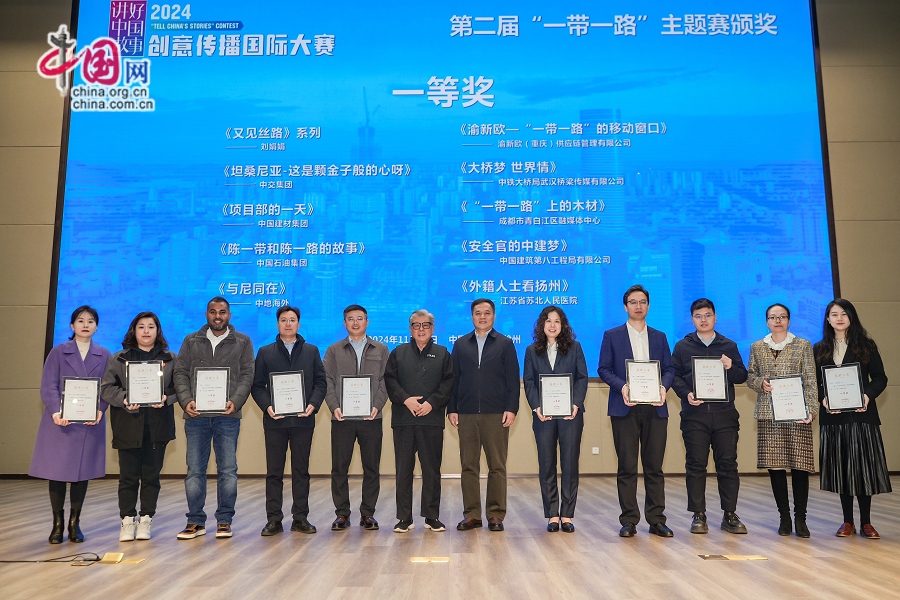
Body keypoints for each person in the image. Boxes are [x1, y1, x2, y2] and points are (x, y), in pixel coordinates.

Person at [173, 297, 254, 540]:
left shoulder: (243, 341)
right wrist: (186, 400)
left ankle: (224, 520)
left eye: (222, 312)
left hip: (228, 416)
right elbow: (180, 373)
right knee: (194, 470)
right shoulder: (191, 341)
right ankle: (195, 521)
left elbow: (248, 374)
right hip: (196, 415)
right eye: (213, 312)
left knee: (228, 470)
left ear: (229, 315)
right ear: (206, 314)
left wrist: (236, 401)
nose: (217, 316)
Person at [597, 285, 675, 538]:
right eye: (633, 302)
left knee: (654, 468)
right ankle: (629, 520)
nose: (638, 306)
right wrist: (623, 387)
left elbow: (669, 369)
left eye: (642, 302)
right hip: (624, 408)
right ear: (625, 306)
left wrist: (663, 387)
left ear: (648, 306)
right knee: (627, 467)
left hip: (655, 408)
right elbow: (604, 369)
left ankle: (657, 520)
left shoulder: (660, 337)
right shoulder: (612, 335)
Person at [30, 305, 111, 544]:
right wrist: (56, 411)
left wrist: (100, 410)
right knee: (56, 473)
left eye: (91, 321)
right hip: (60, 423)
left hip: (89, 422)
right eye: (80, 320)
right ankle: (57, 524)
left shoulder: (104, 354)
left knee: (81, 473)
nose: (85, 325)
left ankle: (75, 523)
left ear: (96, 326)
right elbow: (49, 385)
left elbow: (107, 388)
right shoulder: (58, 352)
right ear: (72, 325)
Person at [813, 299, 890, 539]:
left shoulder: (866, 345)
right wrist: (824, 399)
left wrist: (867, 395)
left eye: (844, 313)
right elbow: (815, 382)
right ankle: (847, 521)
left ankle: (866, 522)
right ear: (828, 319)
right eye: (834, 314)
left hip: (862, 416)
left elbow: (880, 378)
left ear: (851, 317)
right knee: (841, 469)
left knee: (864, 469)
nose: (839, 318)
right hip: (834, 418)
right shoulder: (819, 348)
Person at [671, 299, 749, 535]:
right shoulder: (682, 347)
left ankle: (729, 514)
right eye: (698, 316)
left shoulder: (729, 345)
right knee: (696, 465)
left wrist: (730, 367)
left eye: (707, 315)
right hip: (694, 416)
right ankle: (698, 514)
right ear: (692, 319)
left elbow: (741, 376)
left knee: (728, 465)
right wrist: (686, 394)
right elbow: (674, 376)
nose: (703, 320)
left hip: (725, 416)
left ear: (715, 317)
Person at [101, 312, 178, 542]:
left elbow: (181, 388)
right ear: (133, 330)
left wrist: (166, 398)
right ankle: (127, 520)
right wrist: (124, 398)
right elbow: (106, 388)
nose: (146, 331)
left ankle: (146, 519)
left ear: (158, 331)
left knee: (152, 476)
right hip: (127, 425)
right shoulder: (119, 359)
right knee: (128, 477)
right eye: (141, 326)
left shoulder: (171, 358)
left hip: (158, 426)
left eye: (151, 327)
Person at [252, 305, 326, 536]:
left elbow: (321, 382)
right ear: (278, 324)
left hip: (303, 420)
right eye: (283, 320)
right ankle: (274, 520)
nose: (288, 323)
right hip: (275, 421)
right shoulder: (265, 352)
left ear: (298, 324)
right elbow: (257, 386)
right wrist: (267, 406)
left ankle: (300, 518)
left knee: (301, 471)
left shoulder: (312, 351)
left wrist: (313, 404)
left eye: (292, 320)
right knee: (274, 472)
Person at [747, 303, 818, 537]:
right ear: (766, 321)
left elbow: (811, 380)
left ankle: (801, 519)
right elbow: (750, 376)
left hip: (797, 414)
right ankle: (784, 518)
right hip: (769, 414)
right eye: (773, 317)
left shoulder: (803, 345)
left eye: (782, 317)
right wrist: (760, 383)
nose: (778, 321)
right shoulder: (757, 347)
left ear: (788, 320)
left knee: (800, 466)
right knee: (775, 466)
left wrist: (812, 409)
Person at [449, 298, 519, 532]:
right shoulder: (461, 344)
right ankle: (472, 515)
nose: (482, 317)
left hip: (496, 414)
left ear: (494, 316)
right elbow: (454, 379)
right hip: (467, 414)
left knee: (497, 466)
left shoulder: (505, 344)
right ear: (472, 316)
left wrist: (511, 408)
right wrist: (452, 408)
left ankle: (496, 514)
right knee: (468, 465)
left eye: (487, 313)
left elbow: (513, 381)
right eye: (478, 313)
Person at [384, 309, 454, 533]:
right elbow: (390, 380)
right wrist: (406, 400)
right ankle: (404, 518)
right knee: (403, 470)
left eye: (425, 325)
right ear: (410, 329)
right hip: (403, 420)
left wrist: (431, 403)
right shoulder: (398, 352)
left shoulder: (443, 353)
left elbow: (448, 383)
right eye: (416, 325)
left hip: (431, 419)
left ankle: (432, 517)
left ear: (432, 329)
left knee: (431, 470)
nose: (421, 329)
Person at [323, 305, 388, 532]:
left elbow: (386, 380)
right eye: (350, 319)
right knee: (339, 468)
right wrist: (334, 407)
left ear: (367, 322)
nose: (355, 322)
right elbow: (327, 380)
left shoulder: (381, 349)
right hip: (342, 419)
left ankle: (368, 513)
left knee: (372, 468)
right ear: (344, 323)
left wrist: (376, 406)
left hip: (372, 418)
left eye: (360, 318)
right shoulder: (334, 350)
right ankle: (342, 514)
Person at [522, 306, 587, 533]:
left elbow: (582, 378)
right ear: (542, 325)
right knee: (547, 464)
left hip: (571, 415)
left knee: (569, 464)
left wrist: (575, 404)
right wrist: (536, 407)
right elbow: (529, 382)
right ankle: (552, 514)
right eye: (548, 321)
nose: (552, 325)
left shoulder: (575, 348)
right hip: (544, 415)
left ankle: (567, 514)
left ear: (563, 325)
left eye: (557, 321)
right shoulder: (532, 350)